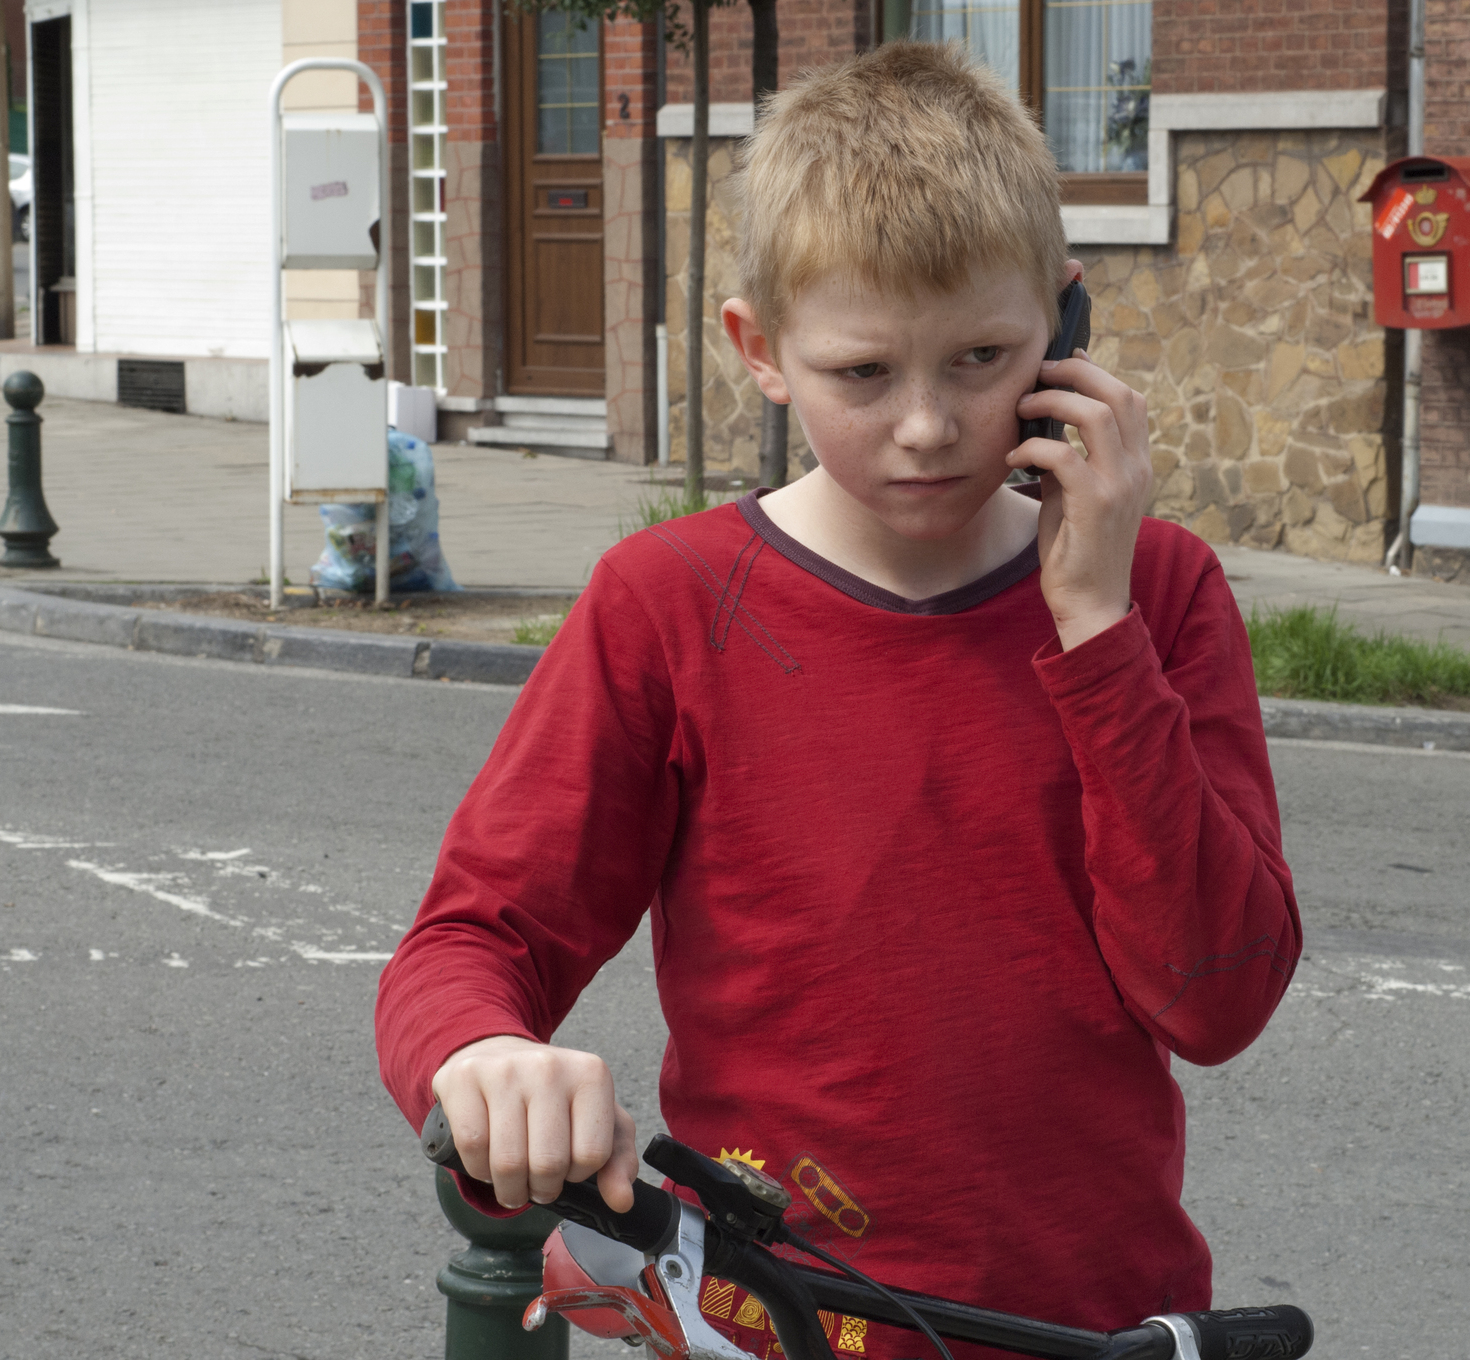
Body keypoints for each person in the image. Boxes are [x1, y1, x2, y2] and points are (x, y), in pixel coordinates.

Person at [375, 40, 1301, 1357]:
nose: (927, 425)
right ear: (761, 350)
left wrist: (1095, 624)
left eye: (983, 358)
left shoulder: (1159, 590)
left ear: (1066, 326)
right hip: (782, 1325)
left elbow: (1216, 998)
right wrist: (481, 1063)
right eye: (862, 375)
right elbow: (467, 943)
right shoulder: (668, 601)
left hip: (1091, 1329)